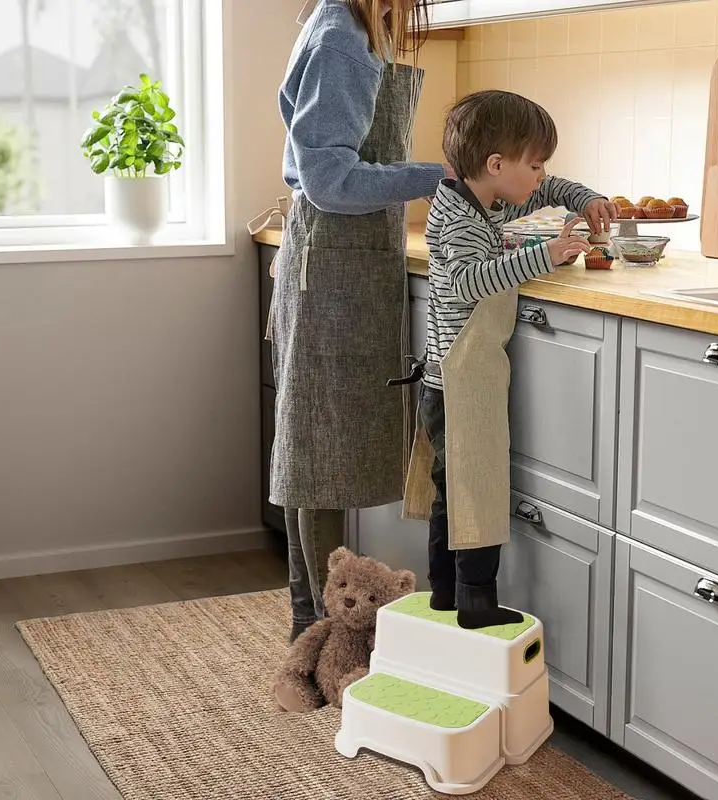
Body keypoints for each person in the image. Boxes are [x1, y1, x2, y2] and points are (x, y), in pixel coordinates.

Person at [270, 0, 452, 643]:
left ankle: (312, 630)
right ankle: (323, 631)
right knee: (319, 455)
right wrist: (440, 177)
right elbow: (328, 178)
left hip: (335, 260)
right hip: (333, 268)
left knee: (312, 454)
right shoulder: (343, 42)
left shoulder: (336, 27)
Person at [410, 90, 617, 629]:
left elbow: (549, 190)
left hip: (452, 375)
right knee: (476, 484)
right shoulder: (459, 219)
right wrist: (543, 255)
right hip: (459, 379)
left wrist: (587, 197)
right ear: (497, 165)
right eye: (535, 161)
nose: (542, 174)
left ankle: (446, 593)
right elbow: (468, 282)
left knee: (453, 490)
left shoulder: (487, 197)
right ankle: (475, 602)